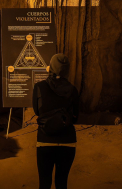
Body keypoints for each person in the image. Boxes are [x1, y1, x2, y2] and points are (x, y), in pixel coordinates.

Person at [32, 53, 79, 189]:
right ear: (67, 70)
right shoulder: (73, 90)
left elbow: (37, 112)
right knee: (61, 183)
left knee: (44, 183)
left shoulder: (39, 87)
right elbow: (76, 118)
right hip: (67, 142)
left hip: (45, 141)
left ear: (50, 67)